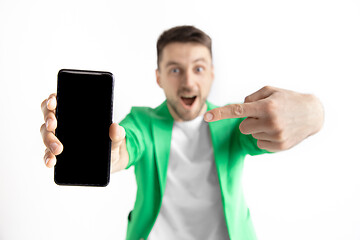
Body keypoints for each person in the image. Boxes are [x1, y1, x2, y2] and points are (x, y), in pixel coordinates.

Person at [40, 26, 324, 240]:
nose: (188, 82)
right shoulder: (143, 121)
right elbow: (127, 144)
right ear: (159, 77)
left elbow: (268, 131)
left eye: (198, 68)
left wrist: (313, 112)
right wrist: (109, 154)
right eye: (175, 70)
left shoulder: (231, 123)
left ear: (212, 74)